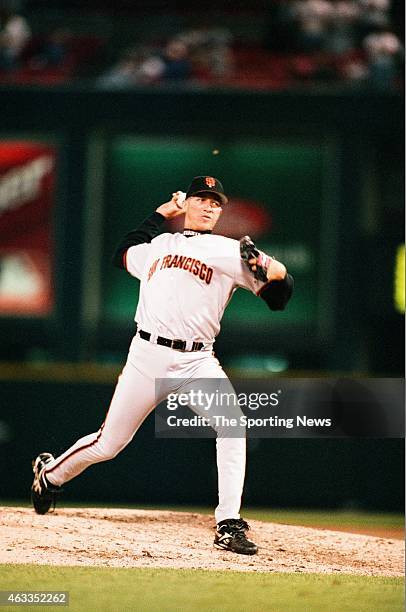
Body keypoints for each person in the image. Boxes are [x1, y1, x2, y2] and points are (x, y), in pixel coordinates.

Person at [31, 176, 294, 556]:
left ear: (221, 212)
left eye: (215, 203)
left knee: (233, 425)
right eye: (201, 199)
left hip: (196, 361)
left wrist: (278, 272)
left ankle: (228, 522)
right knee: (109, 444)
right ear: (186, 203)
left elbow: (279, 299)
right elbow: (122, 252)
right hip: (147, 356)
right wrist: (158, 214)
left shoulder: (230, 251)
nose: (208, 207)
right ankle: (50, 475)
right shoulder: (158, 246)